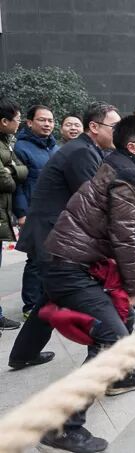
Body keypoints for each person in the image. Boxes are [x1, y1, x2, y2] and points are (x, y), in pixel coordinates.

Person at [38, 114, 135, 453]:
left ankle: (119, 375)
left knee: (121, 320)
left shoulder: (126, 169)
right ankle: (62, 427)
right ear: (133, 147)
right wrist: (134, 286)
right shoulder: (127, 176)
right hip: (70, 267)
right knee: (113, 337)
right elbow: (123, 236)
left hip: (77, 262)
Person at [9, 101, 120, 370]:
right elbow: (94, 202)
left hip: (55, 235)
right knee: (95, 297)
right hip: (56, 239)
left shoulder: (86, 150)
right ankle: (104, 366)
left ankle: (22, 354)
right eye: (115, 127)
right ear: (94, 127)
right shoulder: (81, 153)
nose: (119, 132)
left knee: (51, 297)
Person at [13, 105, 58, 317]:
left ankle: (47, 303)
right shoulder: (21, 148)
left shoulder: (55, 148)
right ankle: (31, 306)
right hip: (34, 213)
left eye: (50, 120)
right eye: (42, 120)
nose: (47, 124)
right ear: (29, 122)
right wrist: (22, 213)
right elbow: (18, 185)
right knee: (35, 260)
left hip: (55, 213)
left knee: (52, 259)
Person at [0, 98, 27, 330]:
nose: (19, 123)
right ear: (4, 121)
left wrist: (10, 170)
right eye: (17, 119)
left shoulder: (6, 143)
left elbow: (23, 171)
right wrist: (12, 172)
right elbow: (6, 182)